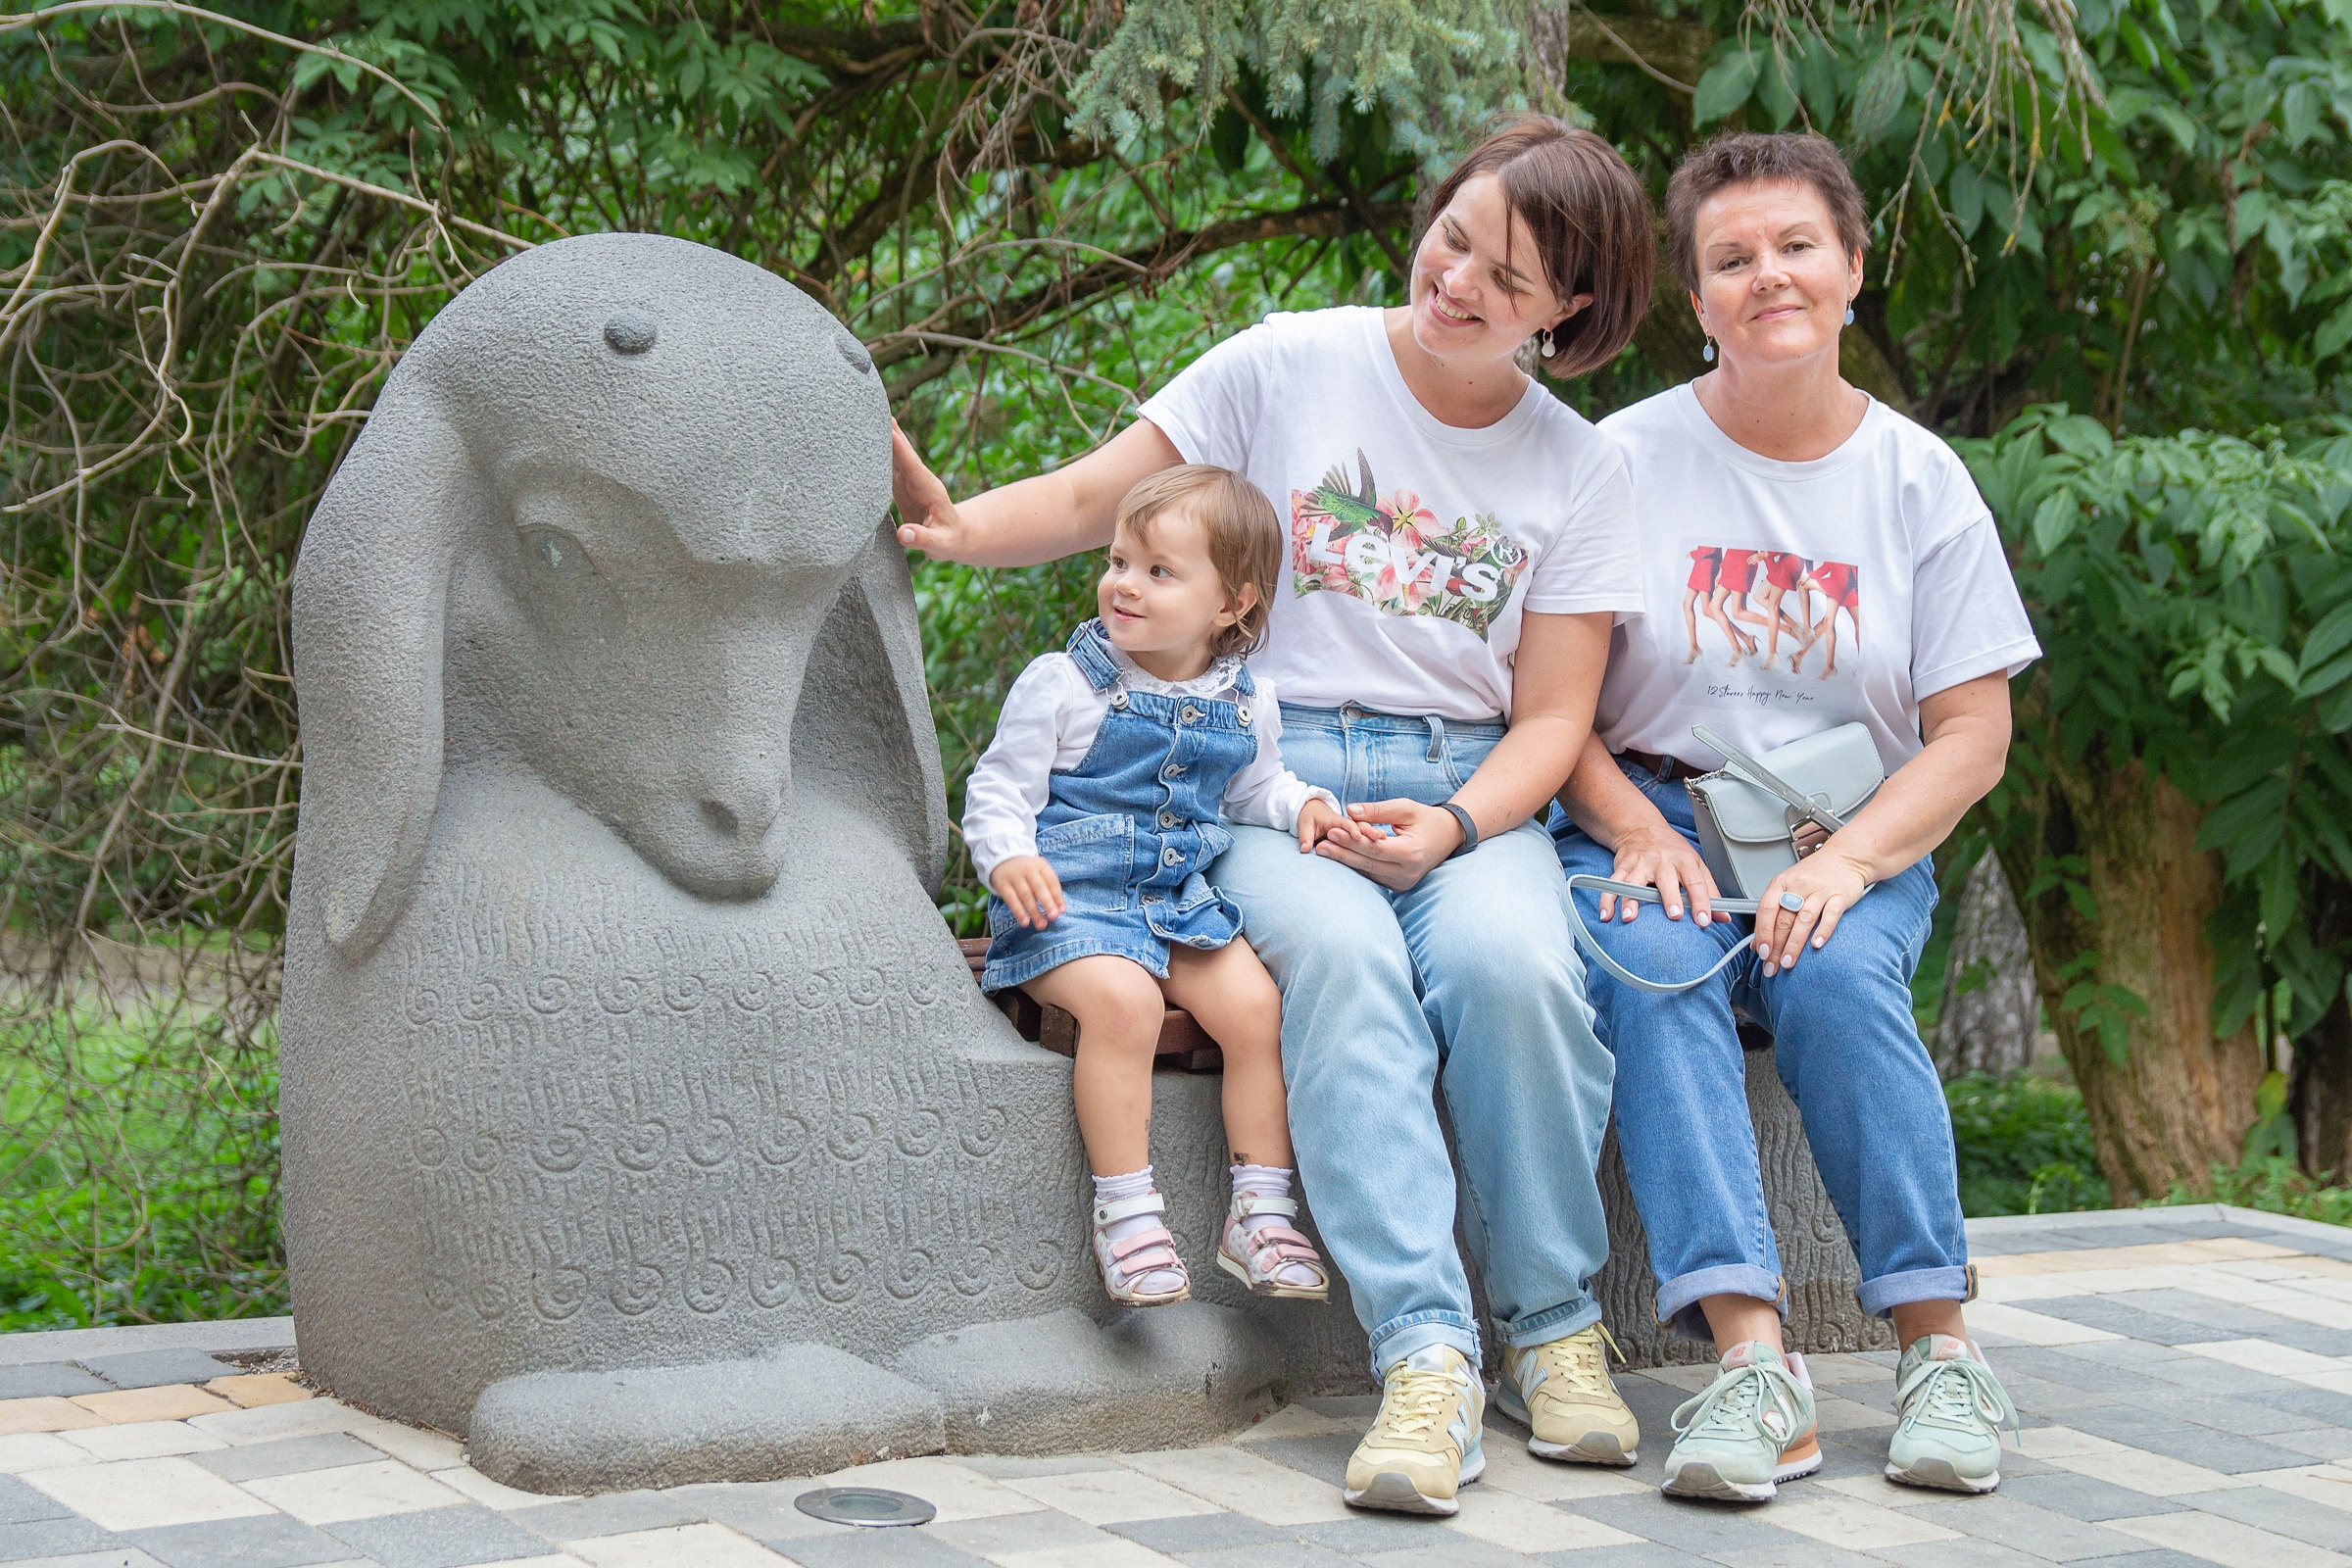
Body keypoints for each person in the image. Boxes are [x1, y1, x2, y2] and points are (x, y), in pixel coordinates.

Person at [895, 115, 1656, 1516]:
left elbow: (1554, 715)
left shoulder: (1582, 467)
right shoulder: (1287, 364)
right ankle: (1424, 1355)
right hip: (1263, 769)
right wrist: (954, 530)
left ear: (1572, 314)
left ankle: (1552, 1335)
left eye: (1514, 277)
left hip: (1462, 783)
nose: (1463, 283)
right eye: (1455, 239)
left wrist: (1457, 828)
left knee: (1517, 970)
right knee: (1347, 974)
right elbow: (1093, 494)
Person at [1551, 131, 2038, 1503]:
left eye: (1795, 246)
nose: (1768, 274)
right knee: (1648, 960)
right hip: (1647, 802)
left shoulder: (1918, 481)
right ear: (1697, 301)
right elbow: (1555, 706)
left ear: (1850, 267)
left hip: (1850, 821)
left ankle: (1940, 1351)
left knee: (1828, 973)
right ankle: (1755, 1367)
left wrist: (1861, 861)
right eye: (1731, 257)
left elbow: (1974, 735)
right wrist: (1630, 830)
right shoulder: (1618, 463)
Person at [962, 466, 1343, 1309]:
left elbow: (1254, 789)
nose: (1123, 585)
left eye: (1158, 571)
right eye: (1119, 561)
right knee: (1126, 1005)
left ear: (1232, 604)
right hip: (1064, 908)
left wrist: (1305, 805)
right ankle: (1127, 1214)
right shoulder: (1065, 684)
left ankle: (1260, 1211)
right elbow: (997, 790)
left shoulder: (1245, 701)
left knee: (1254, 1011)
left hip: (1174, 904)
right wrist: (1008, 858)